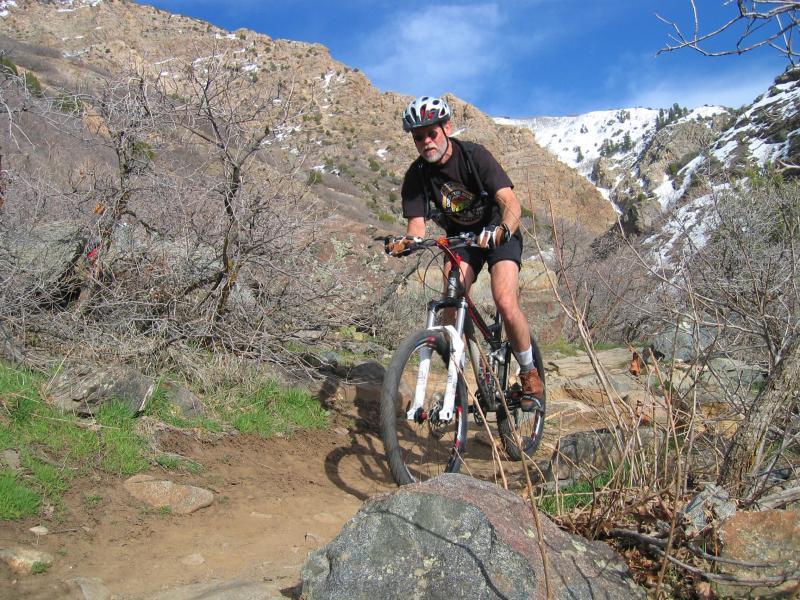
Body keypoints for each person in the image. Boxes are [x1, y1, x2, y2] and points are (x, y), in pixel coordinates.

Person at [385, 95, 543, 410]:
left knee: (505, 301)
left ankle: (529, 375)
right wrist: (407, 242)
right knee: (450, 305)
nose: (426, 142)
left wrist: (501, 231)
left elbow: (511, 204)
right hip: (461, 240)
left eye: (431, 133)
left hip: (499, 233)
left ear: (447, 128)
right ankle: (479, 371)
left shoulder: (475, 156)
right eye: (419, 137)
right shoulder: (416, 176)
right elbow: (417, 225)